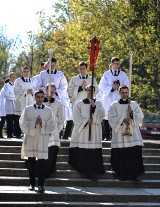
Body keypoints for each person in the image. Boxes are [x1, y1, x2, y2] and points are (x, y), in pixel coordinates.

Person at [20, 89, 55, 193]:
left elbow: (53, 125)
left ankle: (41, 185)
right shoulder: (28, 109)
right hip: (31, 138)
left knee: (42, 163)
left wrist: (43, 122)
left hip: (42, 139)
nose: (40, 99)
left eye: (41, 97)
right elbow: (22, 123)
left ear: (44, 97)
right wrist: (34, 123)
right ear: (35, 97)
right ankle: (32, 183)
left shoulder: (48, 110)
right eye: (38, 97)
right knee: (31, 162)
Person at [68, 85, 105, 181]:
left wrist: (94, 107)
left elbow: (102, 115)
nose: (90, 92)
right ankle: (82, 169)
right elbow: (75, 117)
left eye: (92, 90)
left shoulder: (99, 103)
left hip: (94, 131)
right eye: (88, 90)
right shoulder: (79, 103)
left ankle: (92, 171)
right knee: (84, 151)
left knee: (92, 152)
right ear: (86, 90)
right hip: (83, 131)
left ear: (94, 92)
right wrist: (85, 121)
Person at [108, 85, 145, 181]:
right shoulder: (114, 105)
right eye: (122, 92)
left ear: (128, 93)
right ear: (119, 93)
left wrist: (132, 114)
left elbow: (141, 116)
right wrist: (122, 119)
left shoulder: (134, 104)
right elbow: (111, 118)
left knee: (133, 154)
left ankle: (134, 175)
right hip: (120, 133)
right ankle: (121, 174)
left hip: (133, 134)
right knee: (121, 155)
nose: (124, 94)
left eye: (126, 92)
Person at [98, 57, 129, 140]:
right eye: (116, 63)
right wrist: (112, 88)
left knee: (118, 116)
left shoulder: (123, 74)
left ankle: (116, 135)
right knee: (107, 117)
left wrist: (120, 87)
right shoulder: (106, 74)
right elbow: (102, 86)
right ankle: (107, 135)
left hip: (118, 98)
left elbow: (127, 85)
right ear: (111, 63)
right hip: (108, 98)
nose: (117, 65)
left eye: (118, 64)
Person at [44, 84, 65, 177]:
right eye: (49, 92)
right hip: (42, 132)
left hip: (54, 132)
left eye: (52, 92)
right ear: (45, 90)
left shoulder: (58, 104)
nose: (51, 94)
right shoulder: (39, 102)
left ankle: (51, 168)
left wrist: (53, 121)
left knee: (52, 152)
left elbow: (61, 119)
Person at [14, 66, 35, 138]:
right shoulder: (18, 80)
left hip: (30, 101)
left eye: (27, 71)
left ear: (30, 73)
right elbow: (16, 90)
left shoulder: (32, 80)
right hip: (22, 101)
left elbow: (35, 90)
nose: (26, 73)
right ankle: (17, 133)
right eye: (25, 71)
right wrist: (26, 92)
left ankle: (27, 132)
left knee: (29, 117)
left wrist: (32, 92)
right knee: (20, 116)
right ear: (22, 72)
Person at [3, 72, 16, 138]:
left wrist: (13, 96)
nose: (13, 78)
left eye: (14, 77)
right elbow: (6, 95)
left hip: (15, 104)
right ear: (9, 77)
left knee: (15, 120)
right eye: (12, 77)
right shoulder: (7, 85)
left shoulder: (16, 85)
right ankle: (9, 134)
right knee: (9, 120)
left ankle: (15, 133)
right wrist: (13, 97)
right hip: (9, 105)